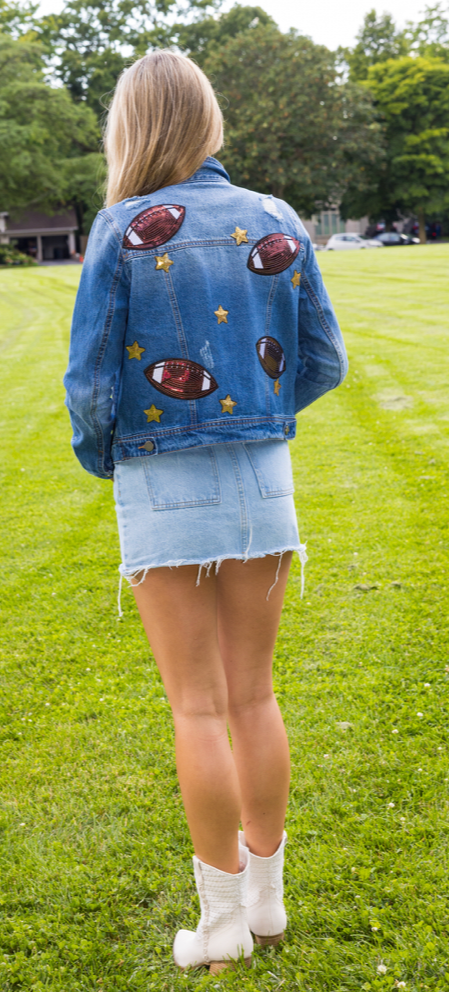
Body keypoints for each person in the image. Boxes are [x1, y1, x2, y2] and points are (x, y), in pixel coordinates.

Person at [64, 50, 347, 974]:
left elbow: (93, 383)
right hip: (264, 476)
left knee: (197, 706)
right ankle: (264, 904)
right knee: (254, 694)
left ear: (131, 127)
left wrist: (105, 458)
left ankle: (221, 917)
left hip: (160, 479)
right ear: (210, 118)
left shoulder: (121, 229)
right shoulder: (275, 218)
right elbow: (323, 363)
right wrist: (261, 416)